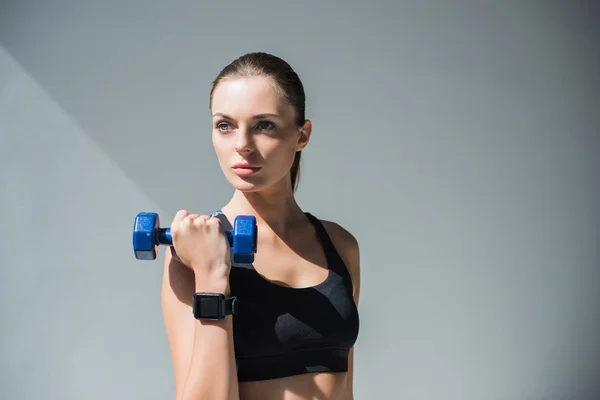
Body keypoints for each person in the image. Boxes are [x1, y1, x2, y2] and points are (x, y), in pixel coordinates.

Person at [161, 52, 361, 400]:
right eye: (225, 125)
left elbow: (346, 390)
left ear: (302, 135)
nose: (241, 145)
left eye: (264, 125)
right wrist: (211, 275)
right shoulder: (191, 254)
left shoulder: (340, 246)